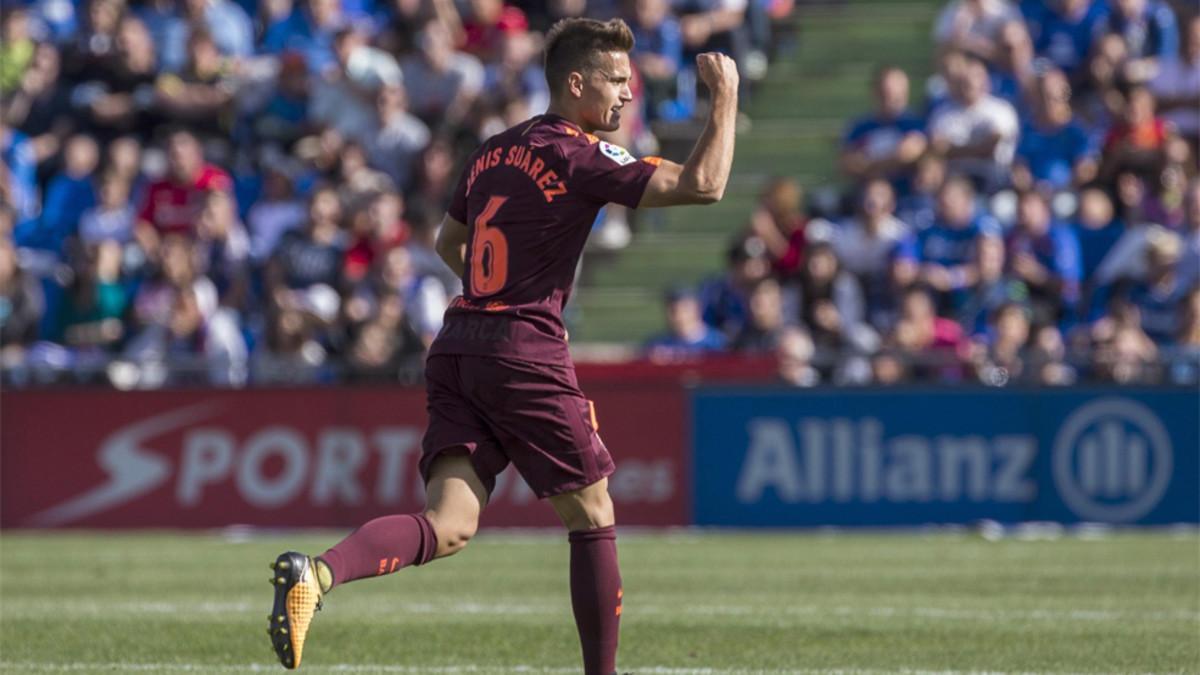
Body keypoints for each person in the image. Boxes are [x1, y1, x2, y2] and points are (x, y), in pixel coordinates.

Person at [265, 19, 740, 674]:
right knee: (593, 511)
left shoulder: (491, 150)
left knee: (448, 523)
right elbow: (705, 185)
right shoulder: (577, 152)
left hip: (459, 341)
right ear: (577, 84)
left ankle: (317, 574)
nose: (629, 95)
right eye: (618, 81)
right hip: (522, 347)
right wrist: (726, 96)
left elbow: (447, 244)